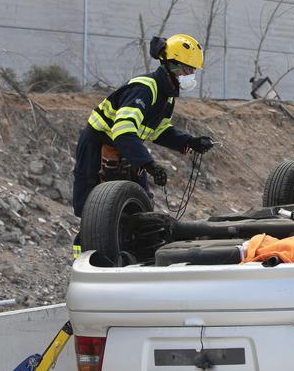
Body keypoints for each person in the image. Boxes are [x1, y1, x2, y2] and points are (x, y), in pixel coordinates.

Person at [72, 34, 214, 257]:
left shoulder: (166, 96)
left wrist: (189, 142)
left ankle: (137, 256)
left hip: (127, 148)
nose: (191, 77)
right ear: (172, 65)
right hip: (98, 146)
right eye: (189, 70)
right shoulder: (145, 89)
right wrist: (148, 164)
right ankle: (85, 262)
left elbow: (159, 130)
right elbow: (122, 130)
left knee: (141, 202)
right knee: (95, 211)